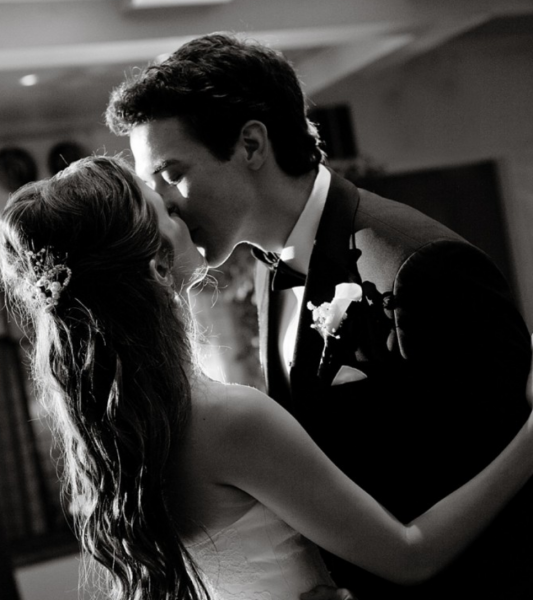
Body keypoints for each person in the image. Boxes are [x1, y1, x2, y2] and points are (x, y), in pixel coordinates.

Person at [105, 33, 533, 599]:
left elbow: (512, 498)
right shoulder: (269, 266)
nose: (166, 204)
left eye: (172, 173)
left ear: (251, 145)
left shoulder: (419, 267)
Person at [1, 155, 533, 600]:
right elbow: (411, 555)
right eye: (166, 211)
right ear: (155, 267)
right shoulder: (226, 418)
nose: (181, 205)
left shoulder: (122, 422)